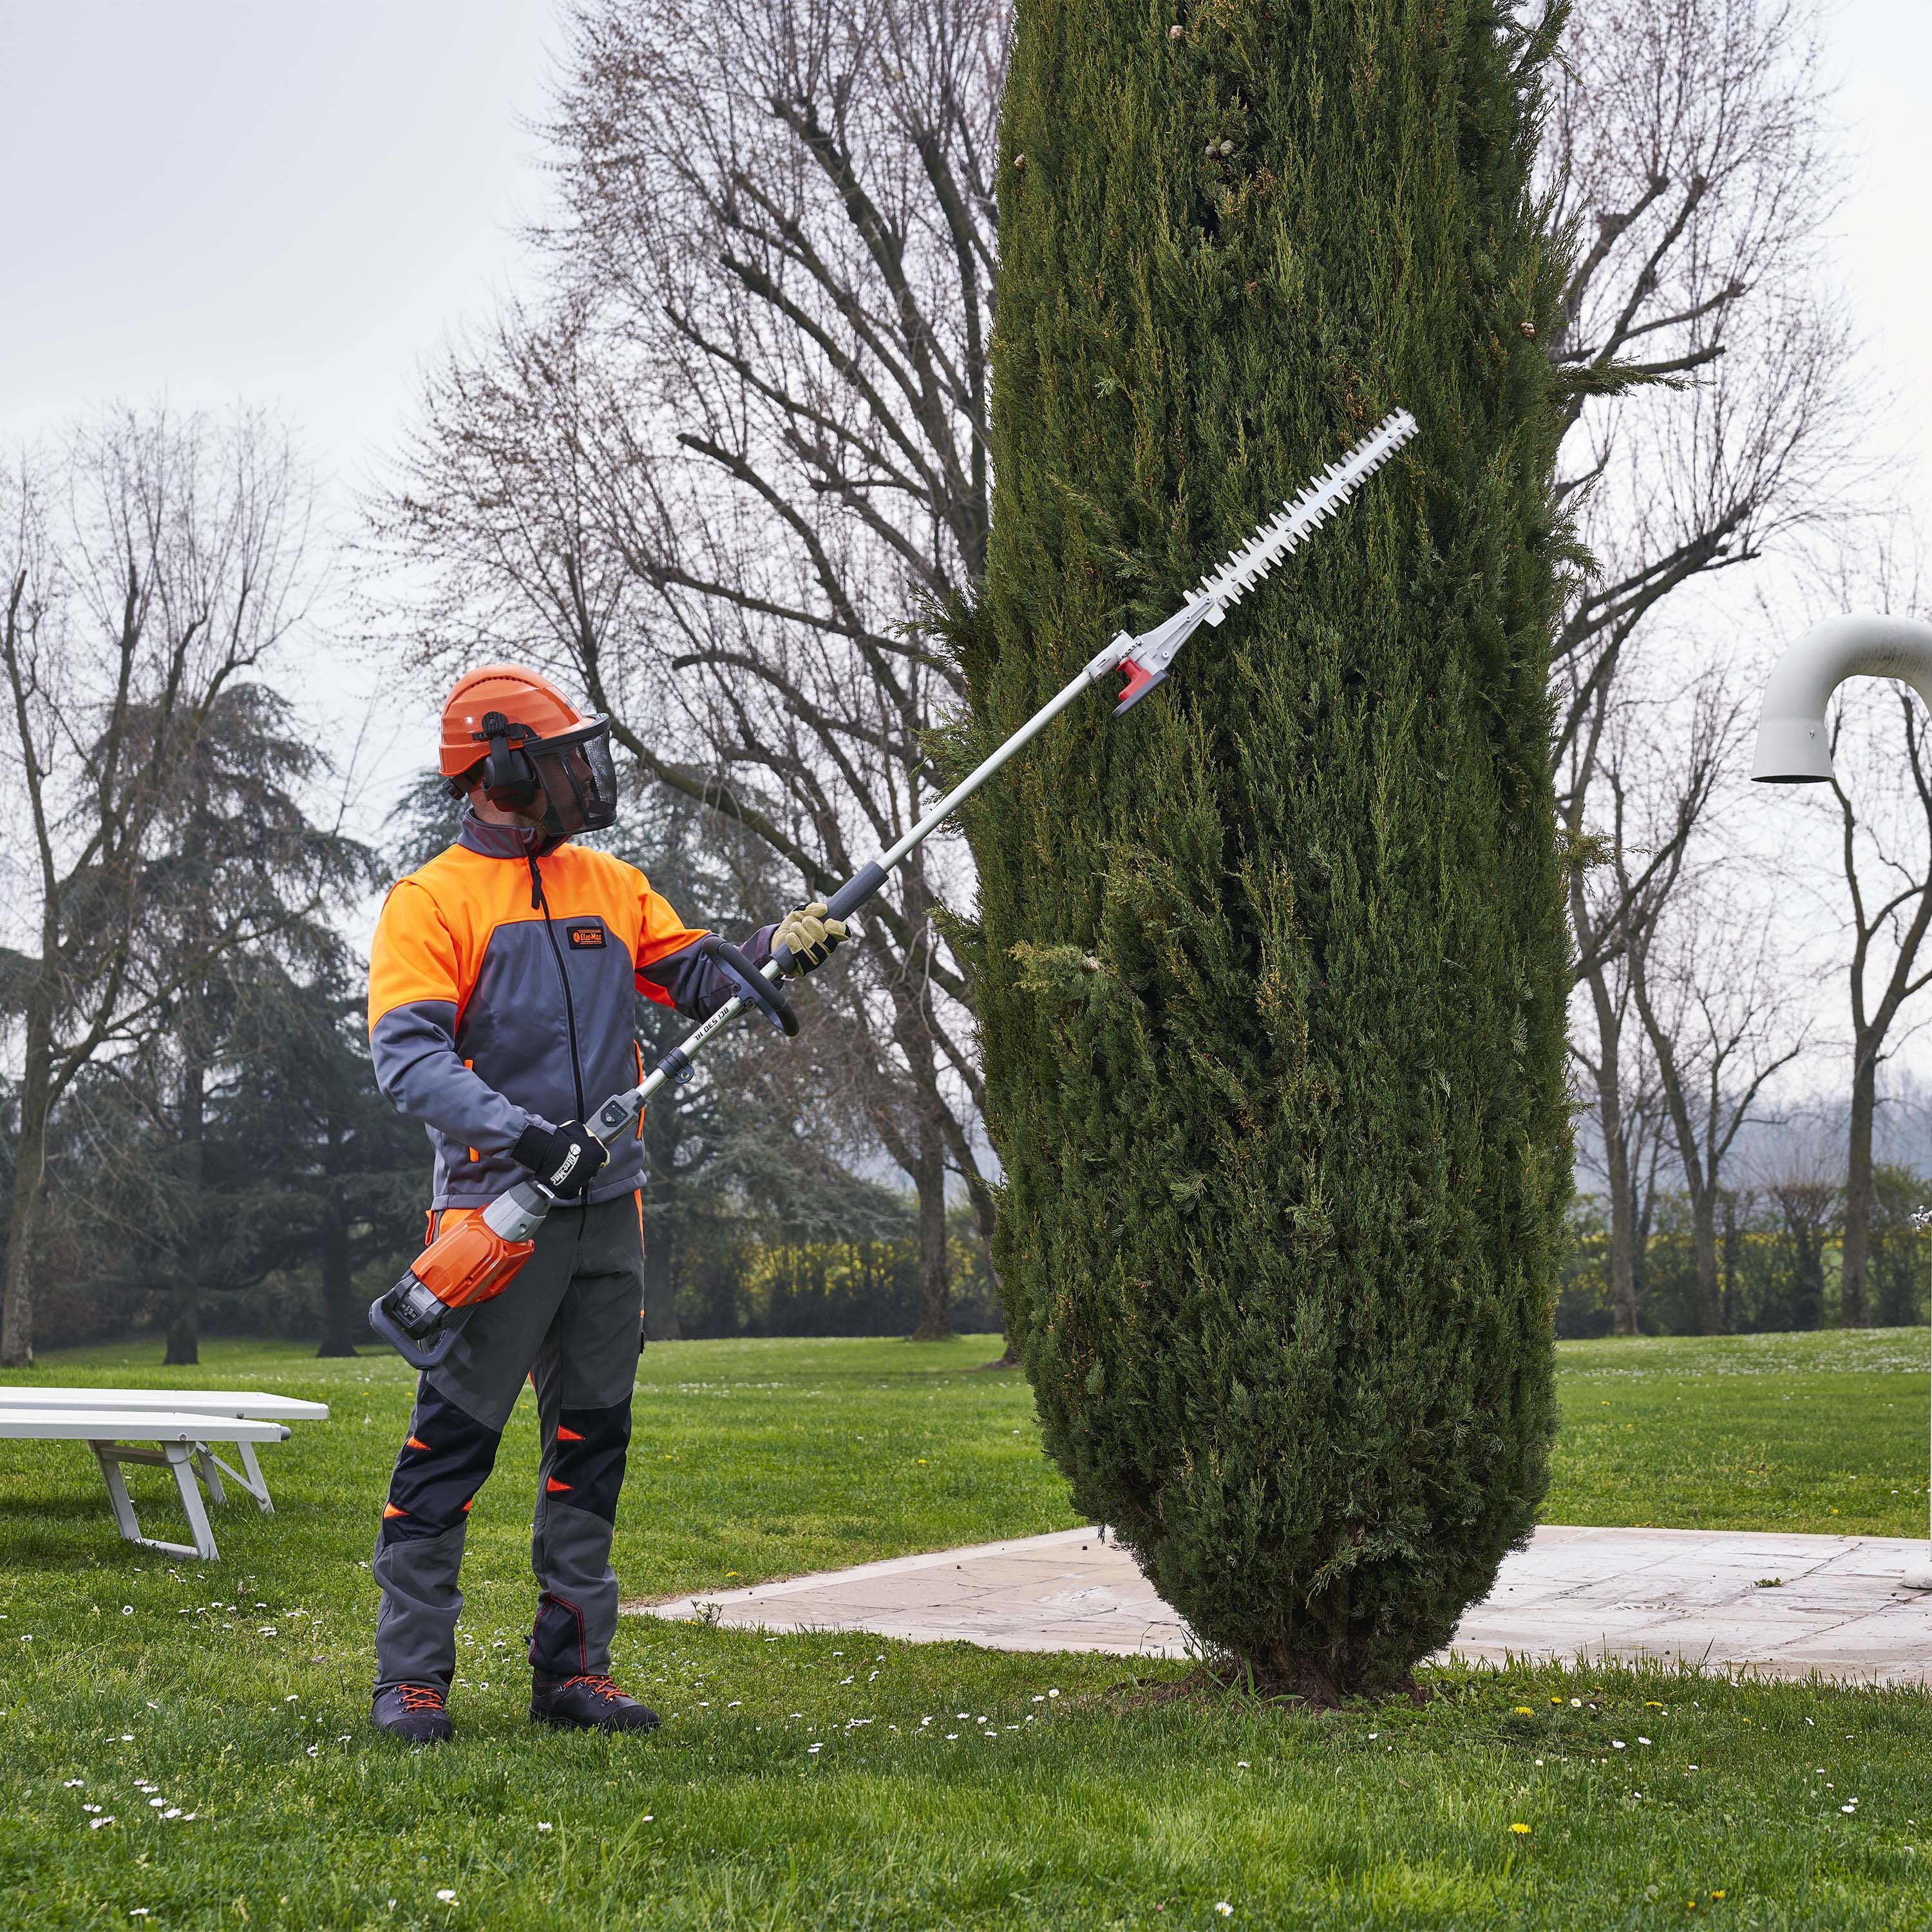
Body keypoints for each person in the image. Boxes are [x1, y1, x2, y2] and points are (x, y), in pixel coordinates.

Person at [364, 664, 845, 1741]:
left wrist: (775, 951)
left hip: (608, 1212)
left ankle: (574, 1672)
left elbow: (697, 975)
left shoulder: (610, 883)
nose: (583, 777)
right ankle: (411, 1680)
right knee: (449, 1450)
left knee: (590, 1444)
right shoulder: (431, 902)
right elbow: (410, 1061)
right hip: (495, 1218)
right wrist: (524, 1135)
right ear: (500, 770)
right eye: (560, 760)